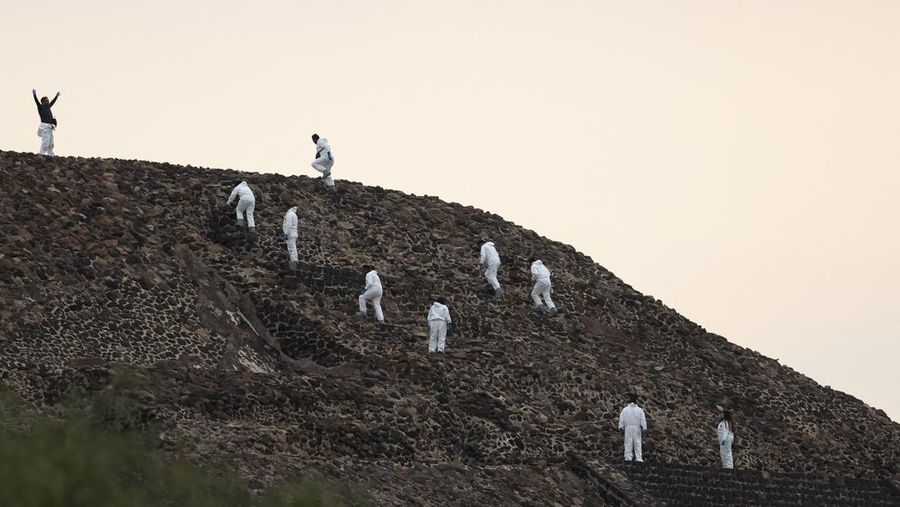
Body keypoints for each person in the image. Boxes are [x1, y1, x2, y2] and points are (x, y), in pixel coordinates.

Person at [618, 394, 648, 462]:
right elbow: (643, 420)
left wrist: (621, 428)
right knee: (637, 444)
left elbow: (621, 419)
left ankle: (628, 458)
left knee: (628, 443)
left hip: (628, 428)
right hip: (637, 428)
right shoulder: (640, 410)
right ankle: (639, 458)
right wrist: (644, 428)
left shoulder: (625, 410)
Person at [32, 89, 60, 156]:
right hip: (44, 127)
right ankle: (42, 154)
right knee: (46, 142)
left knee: (51, 143)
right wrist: (34, 95)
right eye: (47, 100)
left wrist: (56, 96)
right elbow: (36, 101)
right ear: (43, 102)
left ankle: (50, 155)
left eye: (48, 100)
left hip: (50, 127)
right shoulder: (40, 107)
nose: (48, 101)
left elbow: (53, 102)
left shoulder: (48, 107)